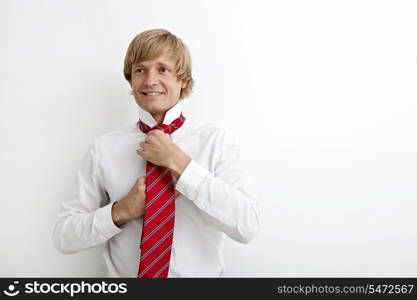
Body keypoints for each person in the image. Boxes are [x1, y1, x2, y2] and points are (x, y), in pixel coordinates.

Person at [52, 29, 260, 277]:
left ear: (182, 79)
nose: (150, 81)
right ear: (131, 79)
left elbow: (247, 227)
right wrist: (121, 211)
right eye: (141, 70)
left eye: (163, 69)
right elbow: (64, 237)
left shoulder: (215, 141)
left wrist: (180, 163)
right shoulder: (104, 148)